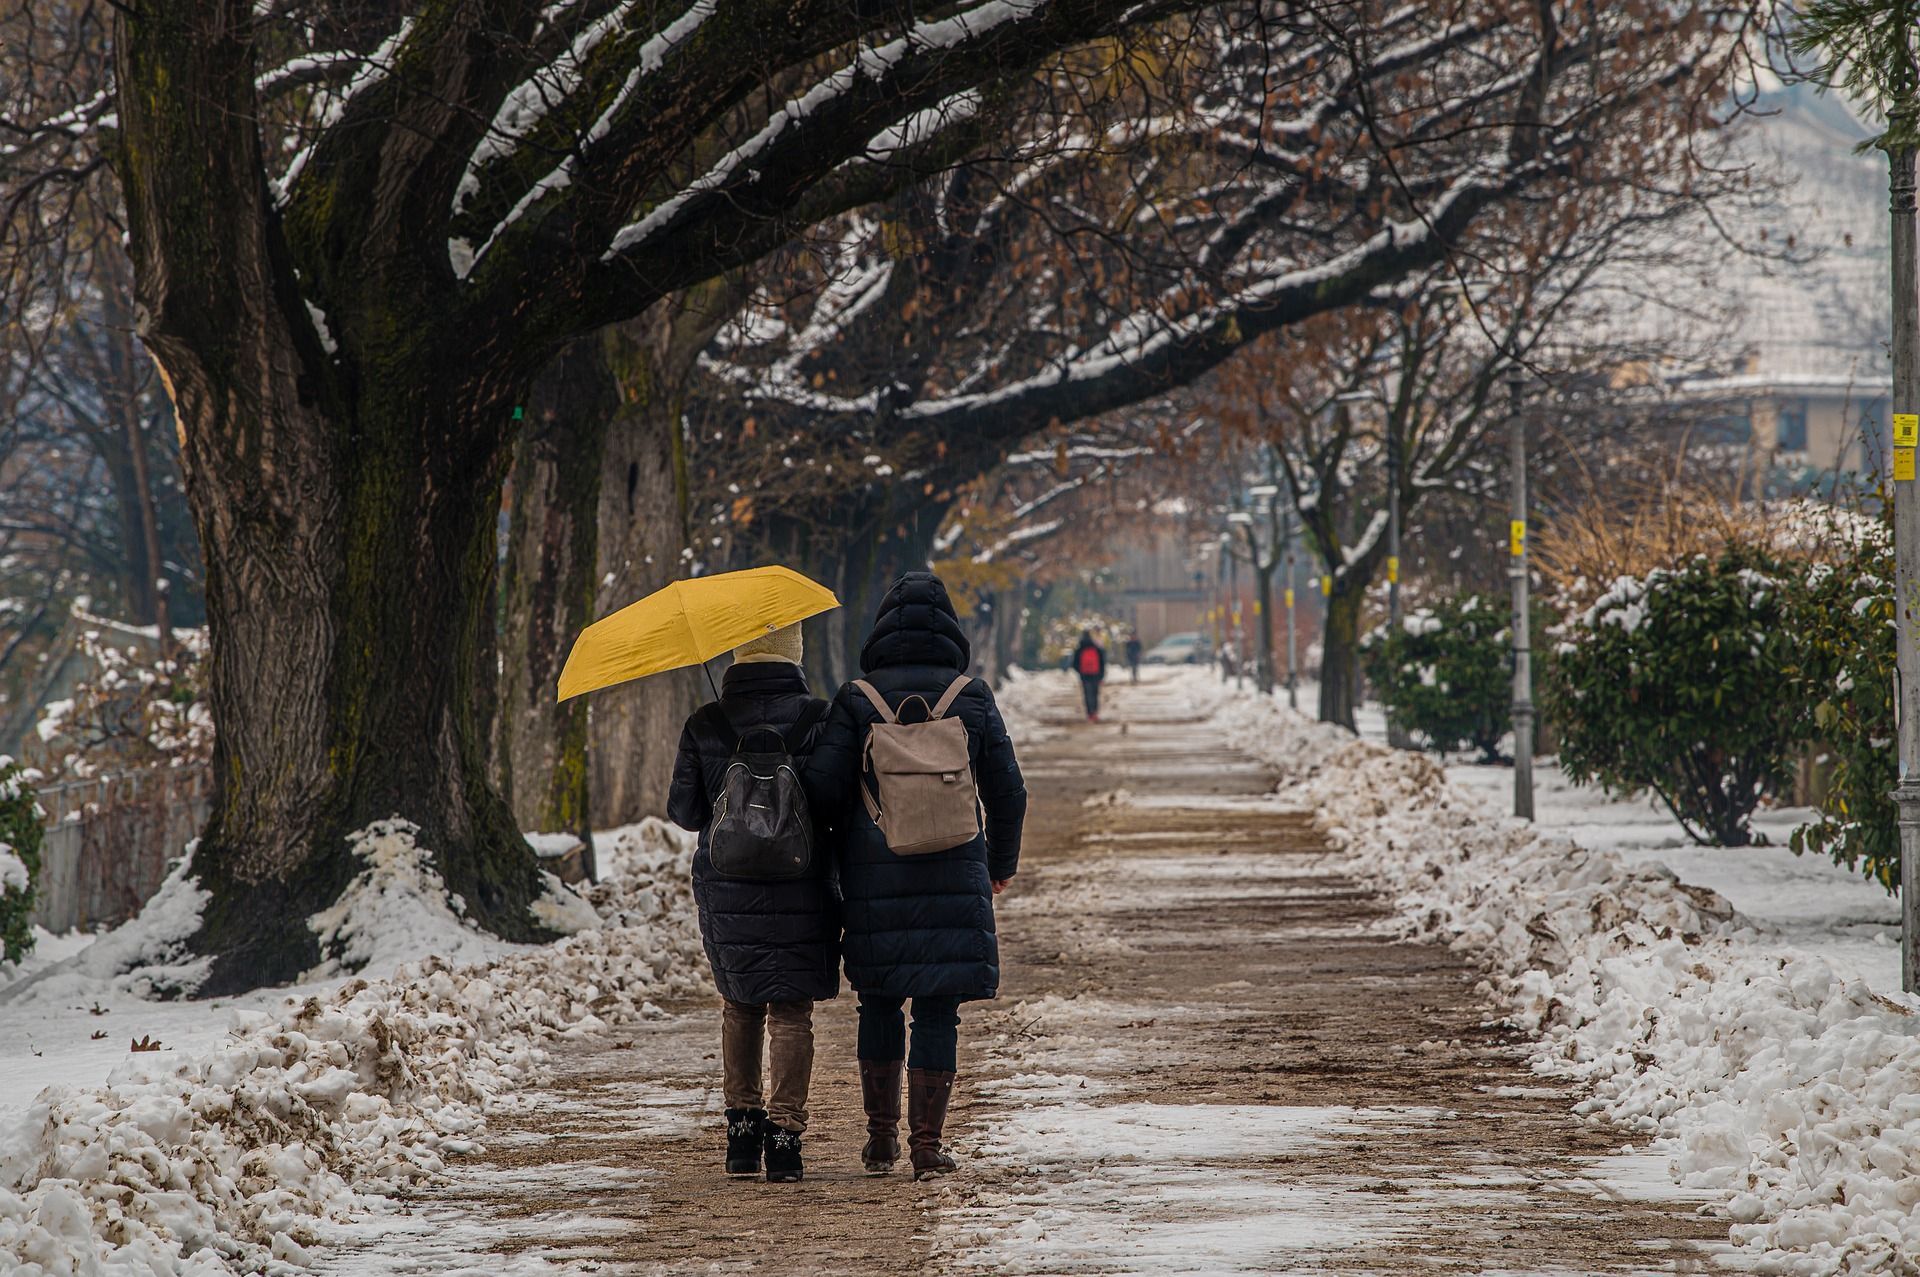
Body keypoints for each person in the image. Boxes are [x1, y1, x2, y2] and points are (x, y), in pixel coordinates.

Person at [802, 572, 1026, 1180]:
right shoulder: (971, 697)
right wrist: (998, 865)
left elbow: (821, 794)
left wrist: (840, 846)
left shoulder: (857, 699)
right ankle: (927, 1145)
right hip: (954, 871)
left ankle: (880, 1141)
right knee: (937, 1010)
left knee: (878, 1004)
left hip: (875, 881)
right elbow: (1009, 793)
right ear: (950, 629)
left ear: (881, 630)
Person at [668, 623, 838, 1184]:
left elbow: (685, 813)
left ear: (738, 653)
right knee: (792, 1011)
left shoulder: (706, 722)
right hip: (803, 883)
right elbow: (836, 801)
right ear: (795, 655)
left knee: (740, 1003)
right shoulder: (818, 718)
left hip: (727, 886)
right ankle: (785, 1139)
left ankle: (741, 1135)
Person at [1073, 629, 1106, 721]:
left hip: (1085, 675)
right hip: (1095, 674)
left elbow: (1074, 664)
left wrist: (1080, 671)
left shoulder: (1080, 649)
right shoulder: (1096, 647)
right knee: (1095, 694)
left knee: (1087, 694)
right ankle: (1095, 712)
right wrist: (1101, 674)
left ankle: (1089, 713)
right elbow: (1102, 662)